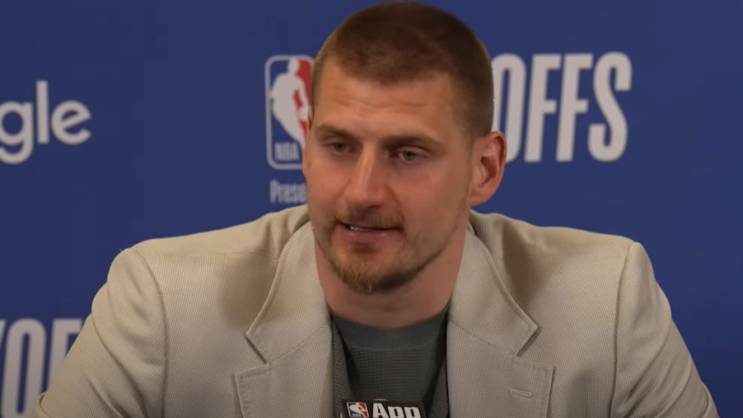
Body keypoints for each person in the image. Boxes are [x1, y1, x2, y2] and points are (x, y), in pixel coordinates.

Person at [34, 2, 717, 417]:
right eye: (338, 146)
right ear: (305, 146)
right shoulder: (162, 305)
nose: (361, 191)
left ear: (483, 169)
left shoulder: (605, 304)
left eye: (407, 154)